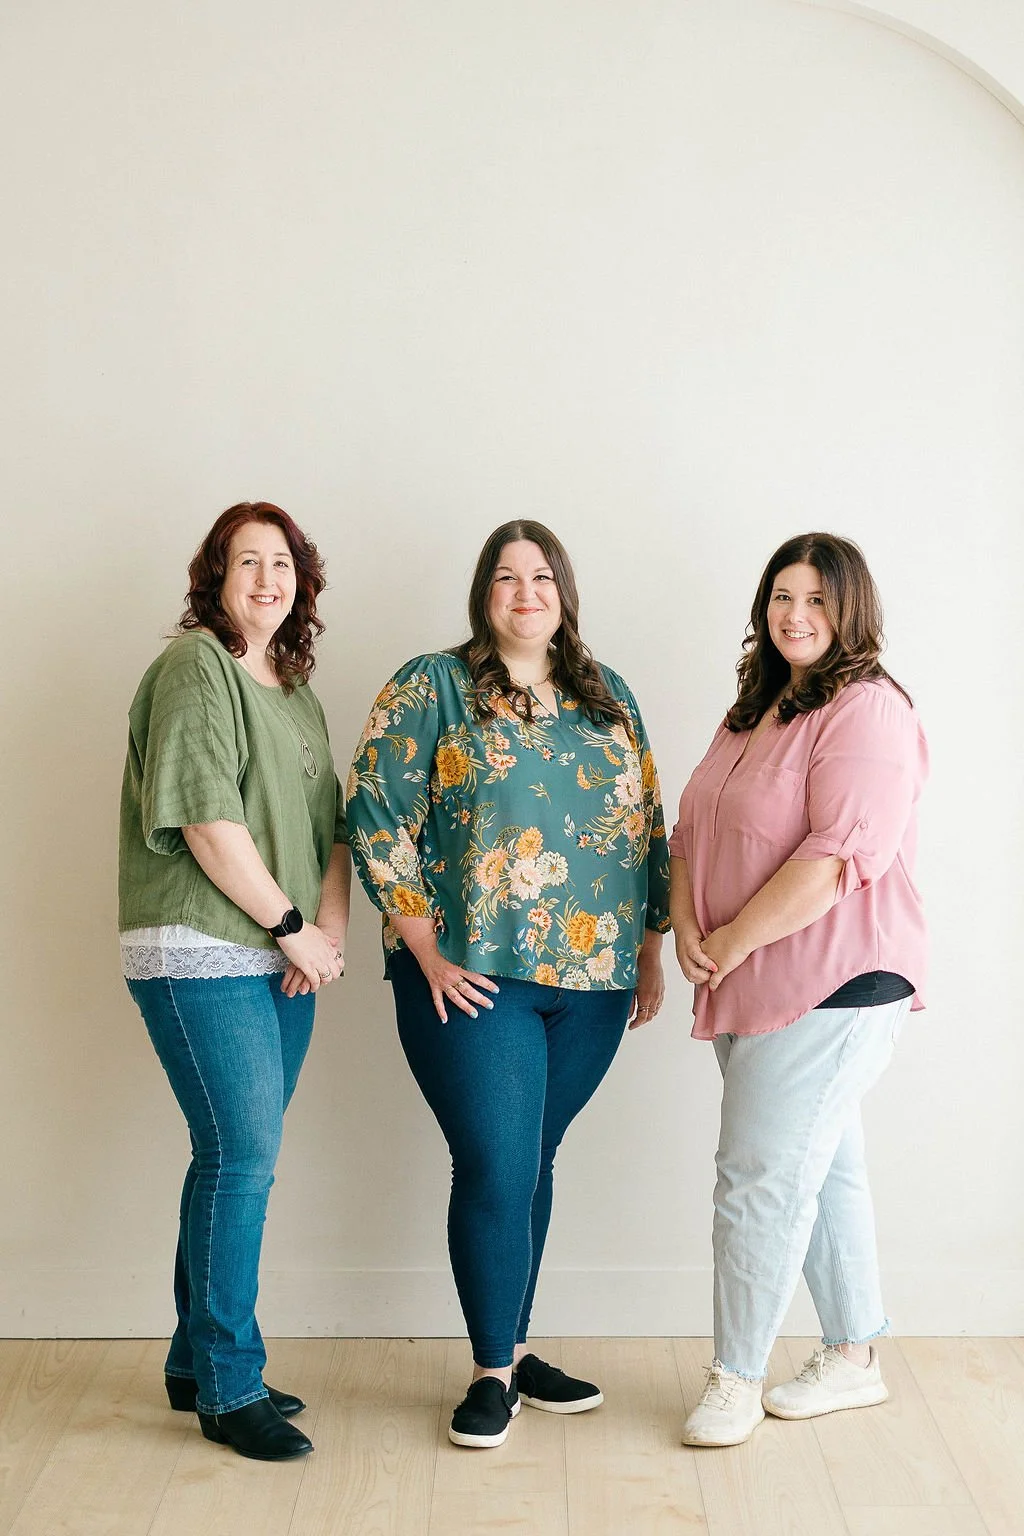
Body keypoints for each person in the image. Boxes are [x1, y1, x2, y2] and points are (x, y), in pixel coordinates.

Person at [346, 520, 671, 1448]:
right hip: (471, 979)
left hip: (596, 984)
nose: (525, 592)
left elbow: (647, 822)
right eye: (505, 577)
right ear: (483, 593)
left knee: (533, 1159)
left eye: (541, 576)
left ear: (564, 591)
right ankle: (493, 1373)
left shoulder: (609, 699)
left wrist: (650, 948)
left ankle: (518, 1348)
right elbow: (373, 811)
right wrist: (423, 946)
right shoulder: (433, 686)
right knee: (494, 1161)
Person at [669, 532, 927, 1447]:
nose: (795, 614)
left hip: (836, 983)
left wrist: (732, 938)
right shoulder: (756, 709)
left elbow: (839, 856)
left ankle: (734, 1378)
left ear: (851, 610)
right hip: (749, 976)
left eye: (818, 599)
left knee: (760, 1179)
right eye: (782, 595)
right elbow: (690, 828)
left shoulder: (867, 710)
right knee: (825, 1168)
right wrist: (691, 929)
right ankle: (855, 1357)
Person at [119, 502, 350, 1462]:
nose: (267, 578)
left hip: (281, 950)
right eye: (246, 562)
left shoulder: (295, 688)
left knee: (228, 1155)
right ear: (214, 578)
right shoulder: (194, 669)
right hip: (201, 946)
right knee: (242, 1156)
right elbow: (211, 825)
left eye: (283, 563)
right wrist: (293, 929)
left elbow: (332, 825)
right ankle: (227, 1384)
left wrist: (325, 934)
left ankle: (192, 1360)